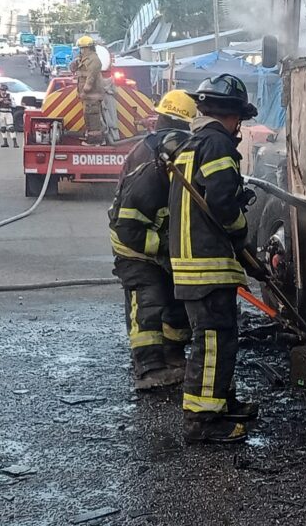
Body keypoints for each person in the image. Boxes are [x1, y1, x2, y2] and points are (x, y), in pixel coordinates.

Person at [168, 74, 262, 444]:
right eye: (240, 120)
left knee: (221, 339)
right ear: (232, 116)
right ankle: (202, 421)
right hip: (206, 263)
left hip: (195, 263)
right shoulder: (218, 145)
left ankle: (220, 402)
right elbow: (224, 203)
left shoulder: (192, 145)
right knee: (212, 341)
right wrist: (241, 234)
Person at [108, 90, 198, 390]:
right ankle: (148, 370)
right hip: (135, 247)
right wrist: (165, 249)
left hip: (159, 240)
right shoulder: (152, 167)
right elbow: (128, 229)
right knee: (148, 300)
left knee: (175, 298)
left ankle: (172, 357)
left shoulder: (167, 153)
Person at [72, 35, 105, 146]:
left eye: (81, 48)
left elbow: (90, 78)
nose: (80, 51)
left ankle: (95, 141)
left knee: (93, 119)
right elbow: (73, 70)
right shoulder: (84, 59)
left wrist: (84, 91)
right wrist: (75, 63)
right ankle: (91, 138)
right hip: (87, 97)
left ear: (87, 48)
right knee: (88, 118)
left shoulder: (94, 60)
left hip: (92, 96)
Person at [0, 84, 18, 148]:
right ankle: (5, 142)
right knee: (3, 128)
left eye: (4, 90)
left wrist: (9, 103)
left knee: (11, 128)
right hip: (1, 113)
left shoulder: (9, 96)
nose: (3, 91)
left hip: (8, 112)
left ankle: (15, 142)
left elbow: (14, 105)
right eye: (2, 90)